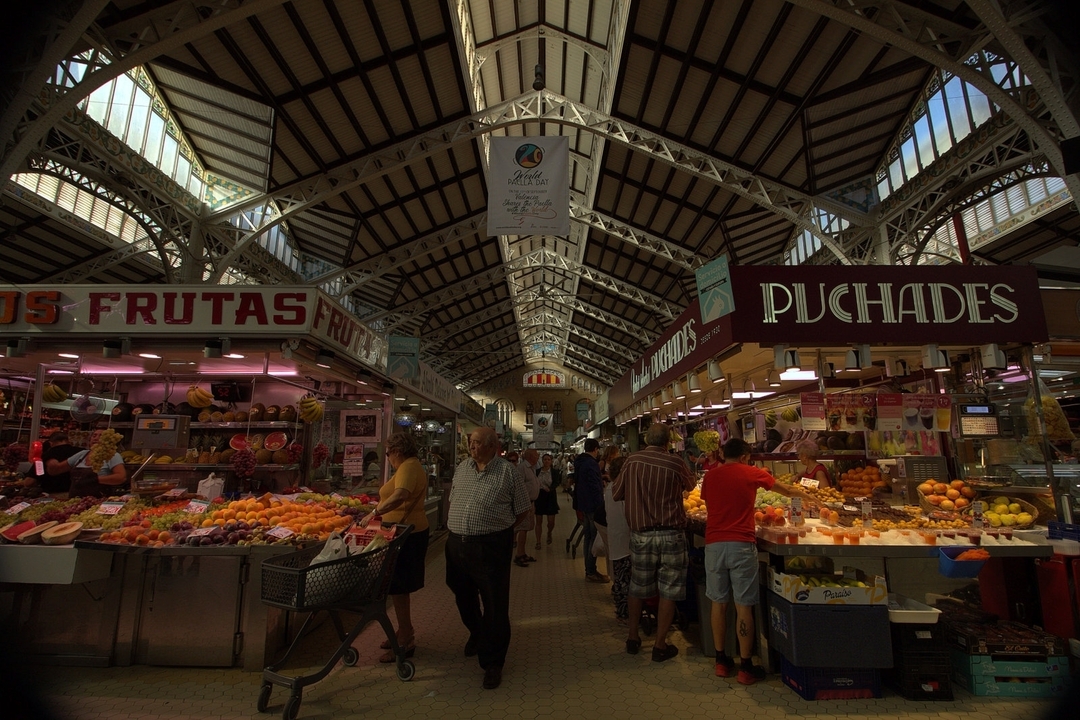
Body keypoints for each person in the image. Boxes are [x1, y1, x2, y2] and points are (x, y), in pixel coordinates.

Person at [444, 426, 531, 690]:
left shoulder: (508, 472)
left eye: (478, 442)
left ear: (493, 446)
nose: (472, 446)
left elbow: (523, 510)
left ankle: (493, 662)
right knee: (462, 595)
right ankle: (478, 632)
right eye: (471, 442)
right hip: (457, 545)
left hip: (491, 546)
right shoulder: (462, 468)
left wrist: (500, 531)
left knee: (494, 602)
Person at [613, 422, 696, 662]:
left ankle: (632, 638)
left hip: (641, 536)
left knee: (637, 587)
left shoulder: (631, 461)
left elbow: (617, 492)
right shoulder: (676, 462)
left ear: (647, 440)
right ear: (667, 442)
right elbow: (691, 487)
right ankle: (660, 645)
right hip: (672, 535)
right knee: (668, 591)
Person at [701, 438, 775, 685]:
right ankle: (745, 666)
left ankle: (721, 661)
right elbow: (779, 488)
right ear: (744, 456)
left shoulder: (711, 476)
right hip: (742, 545)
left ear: (724, 454)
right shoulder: (751, 472)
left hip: (713, 545)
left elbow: (709, 504)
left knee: (718, 603)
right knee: (744, 605)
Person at [360, 431, 429, 663]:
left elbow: (400, 495)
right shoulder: (409, 466)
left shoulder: (408, 467)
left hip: (406, 534)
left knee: (399, 587)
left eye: (388, 453)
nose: (387, 457)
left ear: (398, 451)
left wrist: (375, 512)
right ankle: (402, 630)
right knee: (398, 588)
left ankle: (406, 638)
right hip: (405, 532)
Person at [46, 430, 127, 497]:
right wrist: (49, 460)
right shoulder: (82, 454)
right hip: (75, 502)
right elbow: (56, 470)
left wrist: (95, 480)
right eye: (94, 435)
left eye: (101, 436)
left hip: (98, 501)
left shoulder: (112, 455)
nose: (96, 438)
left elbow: (121, 477)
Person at [574, 438, 608, 583]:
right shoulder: (591, 464)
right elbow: (595, 487)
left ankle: (589, 570)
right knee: (593, 538)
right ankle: (591, 571)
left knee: (588, 537)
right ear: (595, 449)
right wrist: (601, 506)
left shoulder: (580, 462)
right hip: (593, 506)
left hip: (583, 504)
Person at [604, 455, 631, 622]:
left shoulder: (610, 488)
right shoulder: (621, 490)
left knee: (621, 578)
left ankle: (623, 611)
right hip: (625, 540)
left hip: (617, 538)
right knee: (626, 579)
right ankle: (625, 612)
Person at [513, 448, 540, 567]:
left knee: (527, 528)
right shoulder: (522, 468)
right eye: (536, 455)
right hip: (525, 503)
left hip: (530, 503)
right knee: (523, 528)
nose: (538, 457)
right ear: (530, 457)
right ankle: (519, 554)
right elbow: (518, 486)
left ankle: (522, 553)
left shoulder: (531, 468)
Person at [533, 453, 560, 549]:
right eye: (545, 459)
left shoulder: (555, 472)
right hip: (539, 497)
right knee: (538, 521)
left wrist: (551, 488)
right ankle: (538, 541)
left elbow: (557, 482)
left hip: (550, 497)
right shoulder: (537, 472)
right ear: (542, 461)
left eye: (548, 459)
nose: (546, 461)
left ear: (551, 461)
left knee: (551, 521)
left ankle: (549, 532)